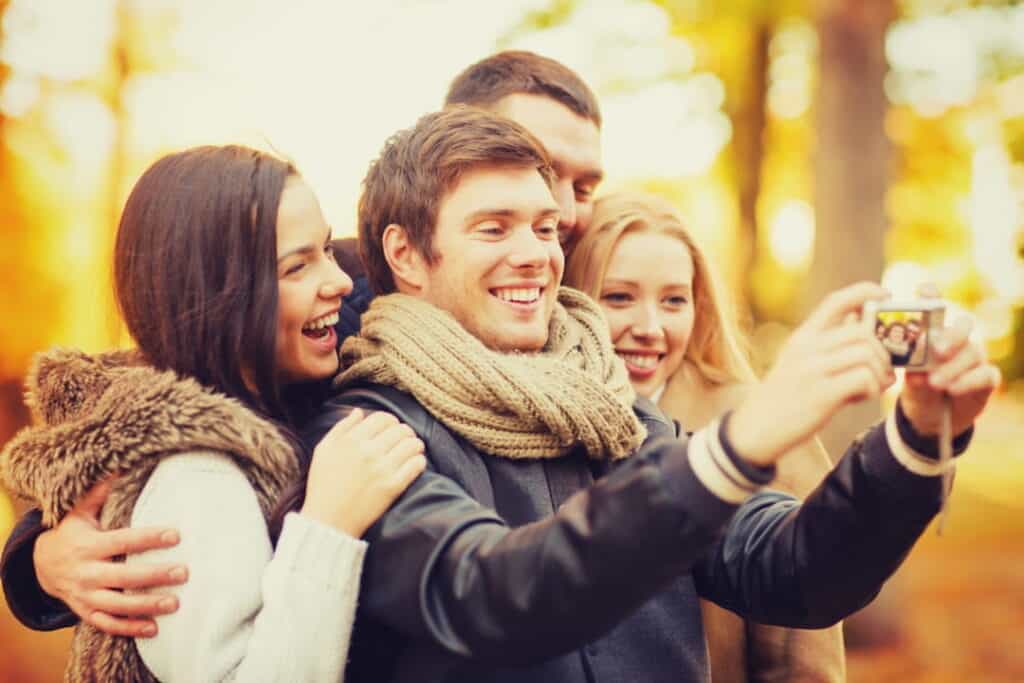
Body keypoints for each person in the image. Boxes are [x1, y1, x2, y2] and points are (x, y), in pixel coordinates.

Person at [303, 106, 998, 682]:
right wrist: (740, 441)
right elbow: (499, 595)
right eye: (494, 227)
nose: (537, 253)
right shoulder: (367, 428)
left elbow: (798, 571)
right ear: (404, 255)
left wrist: (913, 437)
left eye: (545, 227)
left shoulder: (611, 407)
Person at [0, 47, 607, 642]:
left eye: (583, 185)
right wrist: (38, 559)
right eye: (541, 167)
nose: (562, 205)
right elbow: (162, 394)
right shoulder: (347, 285)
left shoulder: (612, 284)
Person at [0, 145, 426, 681]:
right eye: (297, 264)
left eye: (325, 248)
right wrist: (328, 524)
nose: (340, 279)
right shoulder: (196, 473)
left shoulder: (272, 389)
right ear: (222, 296)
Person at [563, 191, 844, 681]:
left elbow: (801, 654)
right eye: (619, 297)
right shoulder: (537, 423)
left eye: (674, 300)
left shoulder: (761, 425)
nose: (650, 327)